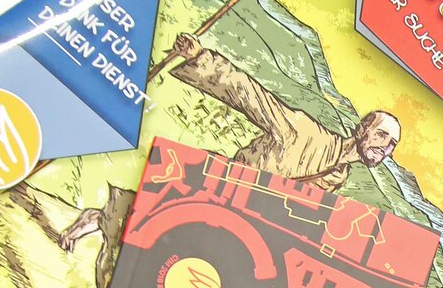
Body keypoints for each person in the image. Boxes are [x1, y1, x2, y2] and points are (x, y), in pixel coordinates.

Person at [168, 30, 400, 190]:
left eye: (391, 144)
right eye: (381, 134)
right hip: (220, 184)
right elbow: (251, 96)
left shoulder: (339, 175)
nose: (385, 147)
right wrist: (199, 57)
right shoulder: (306, 131)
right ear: (361, 129)